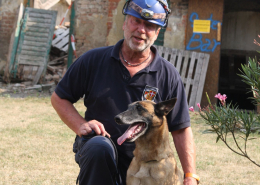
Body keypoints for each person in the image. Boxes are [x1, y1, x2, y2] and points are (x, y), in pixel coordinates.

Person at [51, 0, 198, 184]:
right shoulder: (94, 60)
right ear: (125, 22)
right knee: (99, 147)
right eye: (136, 21)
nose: (141, 30)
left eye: (150, 25)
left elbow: (181, 128)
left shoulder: (167, 75)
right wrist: (80, 125)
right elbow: (59, 98)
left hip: (146, 166)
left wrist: (190, 175)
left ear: (157, 32)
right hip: (100, 155)